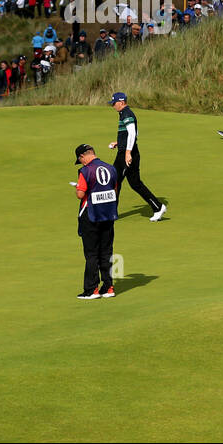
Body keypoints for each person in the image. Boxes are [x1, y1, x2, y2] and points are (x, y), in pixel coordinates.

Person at [106, 93, 166, 221]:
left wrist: (128, 152)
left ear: (121, 102)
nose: (113, 106)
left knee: (116, 181)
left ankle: (112, 213)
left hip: (126, 154)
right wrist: (119, 143)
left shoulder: (127, 113)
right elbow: (132, 132)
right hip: (126, 151)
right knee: (134, 183)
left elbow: (133, 133)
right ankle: (157, 207)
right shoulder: (124, 113)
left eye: (114, 103)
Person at [73, 144, 118, 299]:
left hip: (91, 215)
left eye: (80, 160)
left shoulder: (85, 171)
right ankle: (109, 287)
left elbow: (80, 194)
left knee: (92, 253)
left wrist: (77, 188)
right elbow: (114, 189)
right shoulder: (111, 168)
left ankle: (92, 290)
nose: (82, 163)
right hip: (108, 215)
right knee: (106, 251)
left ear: (83, 156)